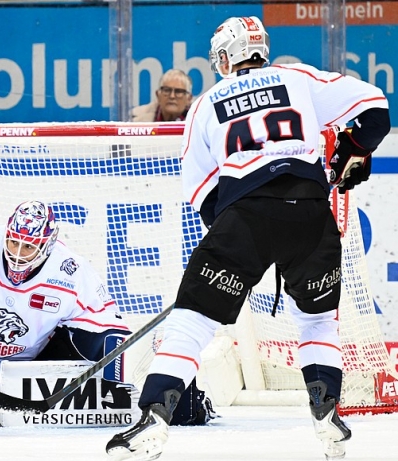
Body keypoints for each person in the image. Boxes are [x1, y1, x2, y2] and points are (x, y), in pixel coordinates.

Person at [105, 16, 390, 461]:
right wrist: (349, 152)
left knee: (193, 318)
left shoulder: (205, 103)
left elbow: (201, 193)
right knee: (316, 320)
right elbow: (375, 108)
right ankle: (327, 411)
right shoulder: (297, 77)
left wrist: (234, 239)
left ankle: (153, 418)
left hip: (245, 219)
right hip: (311, 213)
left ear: (226, 56)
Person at [0, 200, 214, 426]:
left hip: (32, 366)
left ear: (47, 245)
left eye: (29, 246)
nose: (18, 253)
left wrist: (110, 390)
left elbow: (110, 330)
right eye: (13, 242)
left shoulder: (71, 271)